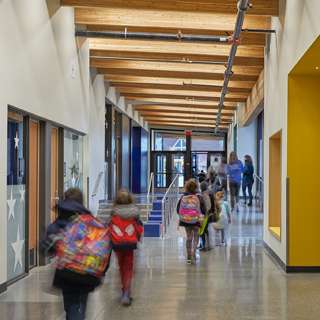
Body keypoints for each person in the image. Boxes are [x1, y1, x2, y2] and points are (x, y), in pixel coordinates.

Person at [44, 188, 110, 320]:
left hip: (67, 271)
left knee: (71, 304)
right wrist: (102, 271)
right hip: (88, 271)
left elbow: (47, 244)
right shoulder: (91, 220)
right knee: (81, 303)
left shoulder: (62, 218)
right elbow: (105, 247)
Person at [109, 190, 143, 306]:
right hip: (130, 243)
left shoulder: (114, 212)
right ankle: (126, 292)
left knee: (121, 266)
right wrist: (138, 238)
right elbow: (139, 227)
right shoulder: (135, 212)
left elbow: (110, 226)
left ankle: (124, 290)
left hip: (117, 244)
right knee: (128, 268)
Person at [177, 179, 206, 264]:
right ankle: (194, 252)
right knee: (196, 236)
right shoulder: (199, 197)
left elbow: (178, 209)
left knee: (189, 237)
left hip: (186, 220)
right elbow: (203, 210)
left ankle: (189, 257)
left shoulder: (183, 197)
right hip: (196, 220)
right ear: (196, 188)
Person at [199, 181, 215, 251]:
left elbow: (207, 206)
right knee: (206, 230)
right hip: (210, 214)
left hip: (206, 215)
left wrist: (204, 214)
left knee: (203, 230)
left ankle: (204, 245)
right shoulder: (210, 193)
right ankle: (208, 245)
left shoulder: (204, 194)